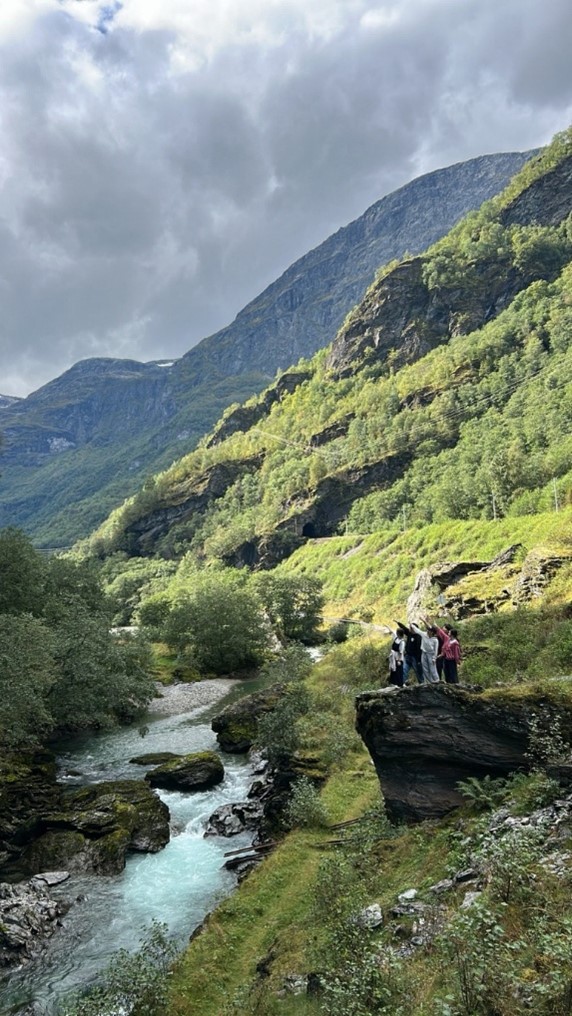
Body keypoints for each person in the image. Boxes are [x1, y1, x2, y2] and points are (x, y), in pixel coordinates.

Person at [425, 617, 461, 684]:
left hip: (451, 659)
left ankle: (454, 684)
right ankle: (446, 683)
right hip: (445, 658)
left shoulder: (455, 642)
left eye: (445, 628)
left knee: (452, 672)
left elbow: (456, 652)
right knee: (446, 672)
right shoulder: (447, 639)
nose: (443, 629)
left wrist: (457, 660)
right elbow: (441, 633)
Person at [395, 620, 424, 684]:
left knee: (418, 672)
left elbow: (419, 650)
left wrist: (419, 660)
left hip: (415, 658)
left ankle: (422, 684)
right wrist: (398, 622)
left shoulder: (418, 637)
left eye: (411, 628)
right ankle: (400, 684)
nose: (409, 629)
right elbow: (404, 628)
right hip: (407, 656)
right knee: (404, 670)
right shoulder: (409, 633)